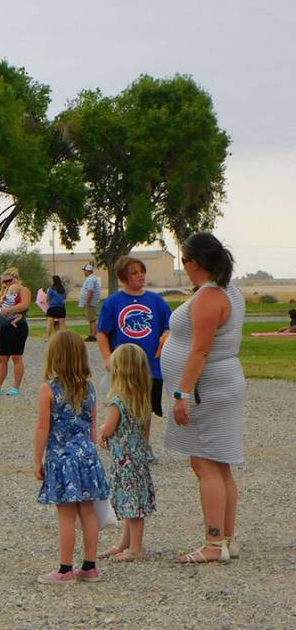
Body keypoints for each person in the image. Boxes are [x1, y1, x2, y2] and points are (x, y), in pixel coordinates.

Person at [162, 232, 246, 564]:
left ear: (195, 262)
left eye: (184, 261)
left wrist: (182, 393)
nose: (183, 267)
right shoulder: (230, 290)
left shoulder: (211, 295)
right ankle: (226, 538)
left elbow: (199, 351)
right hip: (220, 383)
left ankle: (213, 544)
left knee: (204, 462)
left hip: (208, 386)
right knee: (220, 464)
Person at [34, 330, 110, 584]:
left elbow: (43, 428)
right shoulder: (89, 388)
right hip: (86, 455)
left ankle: (65, 569)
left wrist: (37, 460)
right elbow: (92, 424)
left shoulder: (48, 390)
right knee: (88, 512)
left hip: (61, 457)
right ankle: (90, 565)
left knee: (66, 515)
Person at [98, 344, 156, 562]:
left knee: (132, 506)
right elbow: (146, 431)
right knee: (132, 502)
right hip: (138, 457)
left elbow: (110, 428)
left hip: (124, 461)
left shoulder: (117, 401)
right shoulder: (142, 399)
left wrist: (102, 433)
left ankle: (136, 548)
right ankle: (126, 542)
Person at [97, 255, 172, 418]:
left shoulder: (157, 301)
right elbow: (102, 333)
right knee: (122, 409)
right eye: (134, 273)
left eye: (142, 271)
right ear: (124, 277)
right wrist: (108, 358)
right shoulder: (112, 302)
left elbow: (169, 327)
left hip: (151, 365)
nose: (140, 275)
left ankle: (143, 443)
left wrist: (166, 334)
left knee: (146, 411)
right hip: (124, 366)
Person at [0, 268, 31, 396]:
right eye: (4, 281)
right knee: (2, 358)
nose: (7, 283)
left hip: (17, 327)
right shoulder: (6, 291)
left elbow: (24, 305)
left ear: (16, 278)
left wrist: (10, 310)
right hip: (3, 327)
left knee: (16, 356)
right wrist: (2, 291)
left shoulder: (23, 290)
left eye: (9, 281)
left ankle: (16, 386)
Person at [79, 264, 103, 341]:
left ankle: (93, 336)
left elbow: (90, 291)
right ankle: (92, 335)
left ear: (88, 271)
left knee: (92, 319)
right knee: (91, 319)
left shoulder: (91, 279)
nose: (84, 272)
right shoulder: (91, 278)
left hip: (91, 302)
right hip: (91, 302)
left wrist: (88, 302)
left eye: (85, 270)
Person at [44, 275, 67, 339]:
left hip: (53, 307)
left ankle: (47, 337)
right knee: (62, 324)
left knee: (49, 324)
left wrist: (47, 301)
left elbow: (48, 298)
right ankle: (64, 338)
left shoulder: (51, 289)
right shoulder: (63, 289)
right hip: (61, 308)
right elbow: (64, 297)